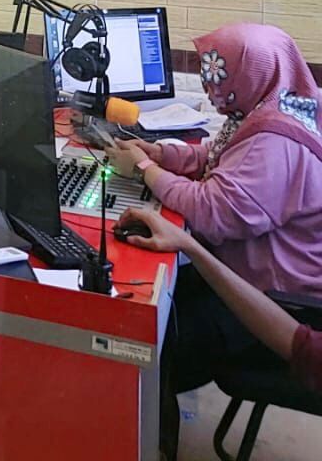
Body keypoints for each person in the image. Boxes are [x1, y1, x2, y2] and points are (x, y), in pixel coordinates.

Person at [104, 22, 322, 458]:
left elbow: (214, 212)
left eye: (216, 75)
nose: (209, 87)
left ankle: (150, 442)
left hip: (279, 301)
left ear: (250, 73)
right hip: (252, 276)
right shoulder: (281, 106)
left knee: (144, 342)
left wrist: (146, 171)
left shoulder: (276, 141)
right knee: (144, 300)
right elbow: (219, 158)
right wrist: (162, 154)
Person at [118, 207, 321, 394]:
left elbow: (303, 348)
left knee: (150, 352)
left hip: (289, 307)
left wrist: (188, 244)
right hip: (260, 286)